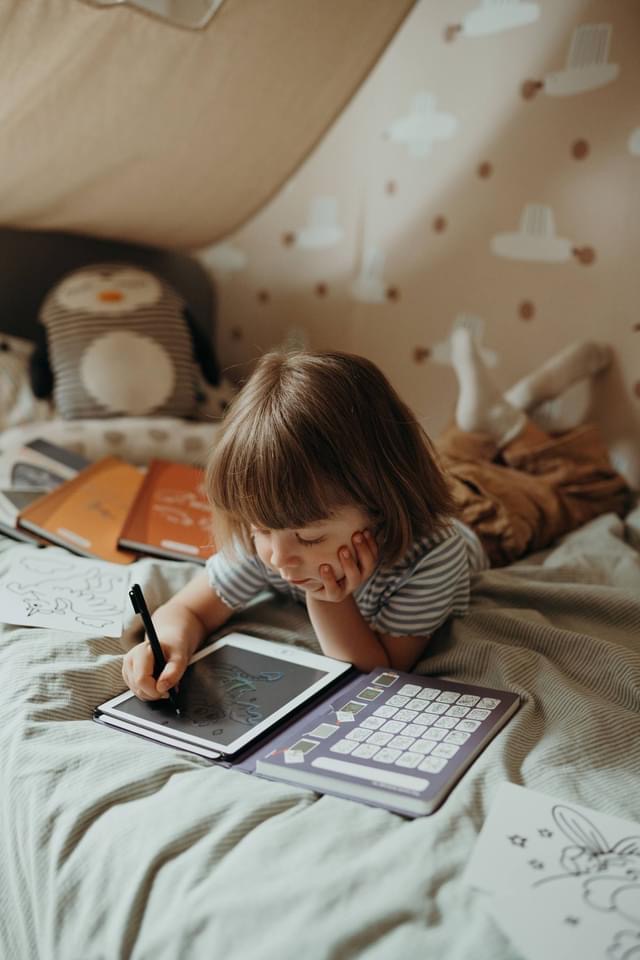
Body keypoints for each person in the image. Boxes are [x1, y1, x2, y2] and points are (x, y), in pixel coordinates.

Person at [122, 330, 631, 701]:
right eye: (260, 531)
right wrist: (166, 641)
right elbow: (189, 609)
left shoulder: (432, 558)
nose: (279, 556)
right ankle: (485, 422)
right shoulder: (279, 522)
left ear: (381, 504)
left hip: (492, 517)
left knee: (585, 490)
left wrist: (328, 599)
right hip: (433, 480)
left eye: (310, 536)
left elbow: (376, 672)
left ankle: (514, 418)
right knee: (451, 459)